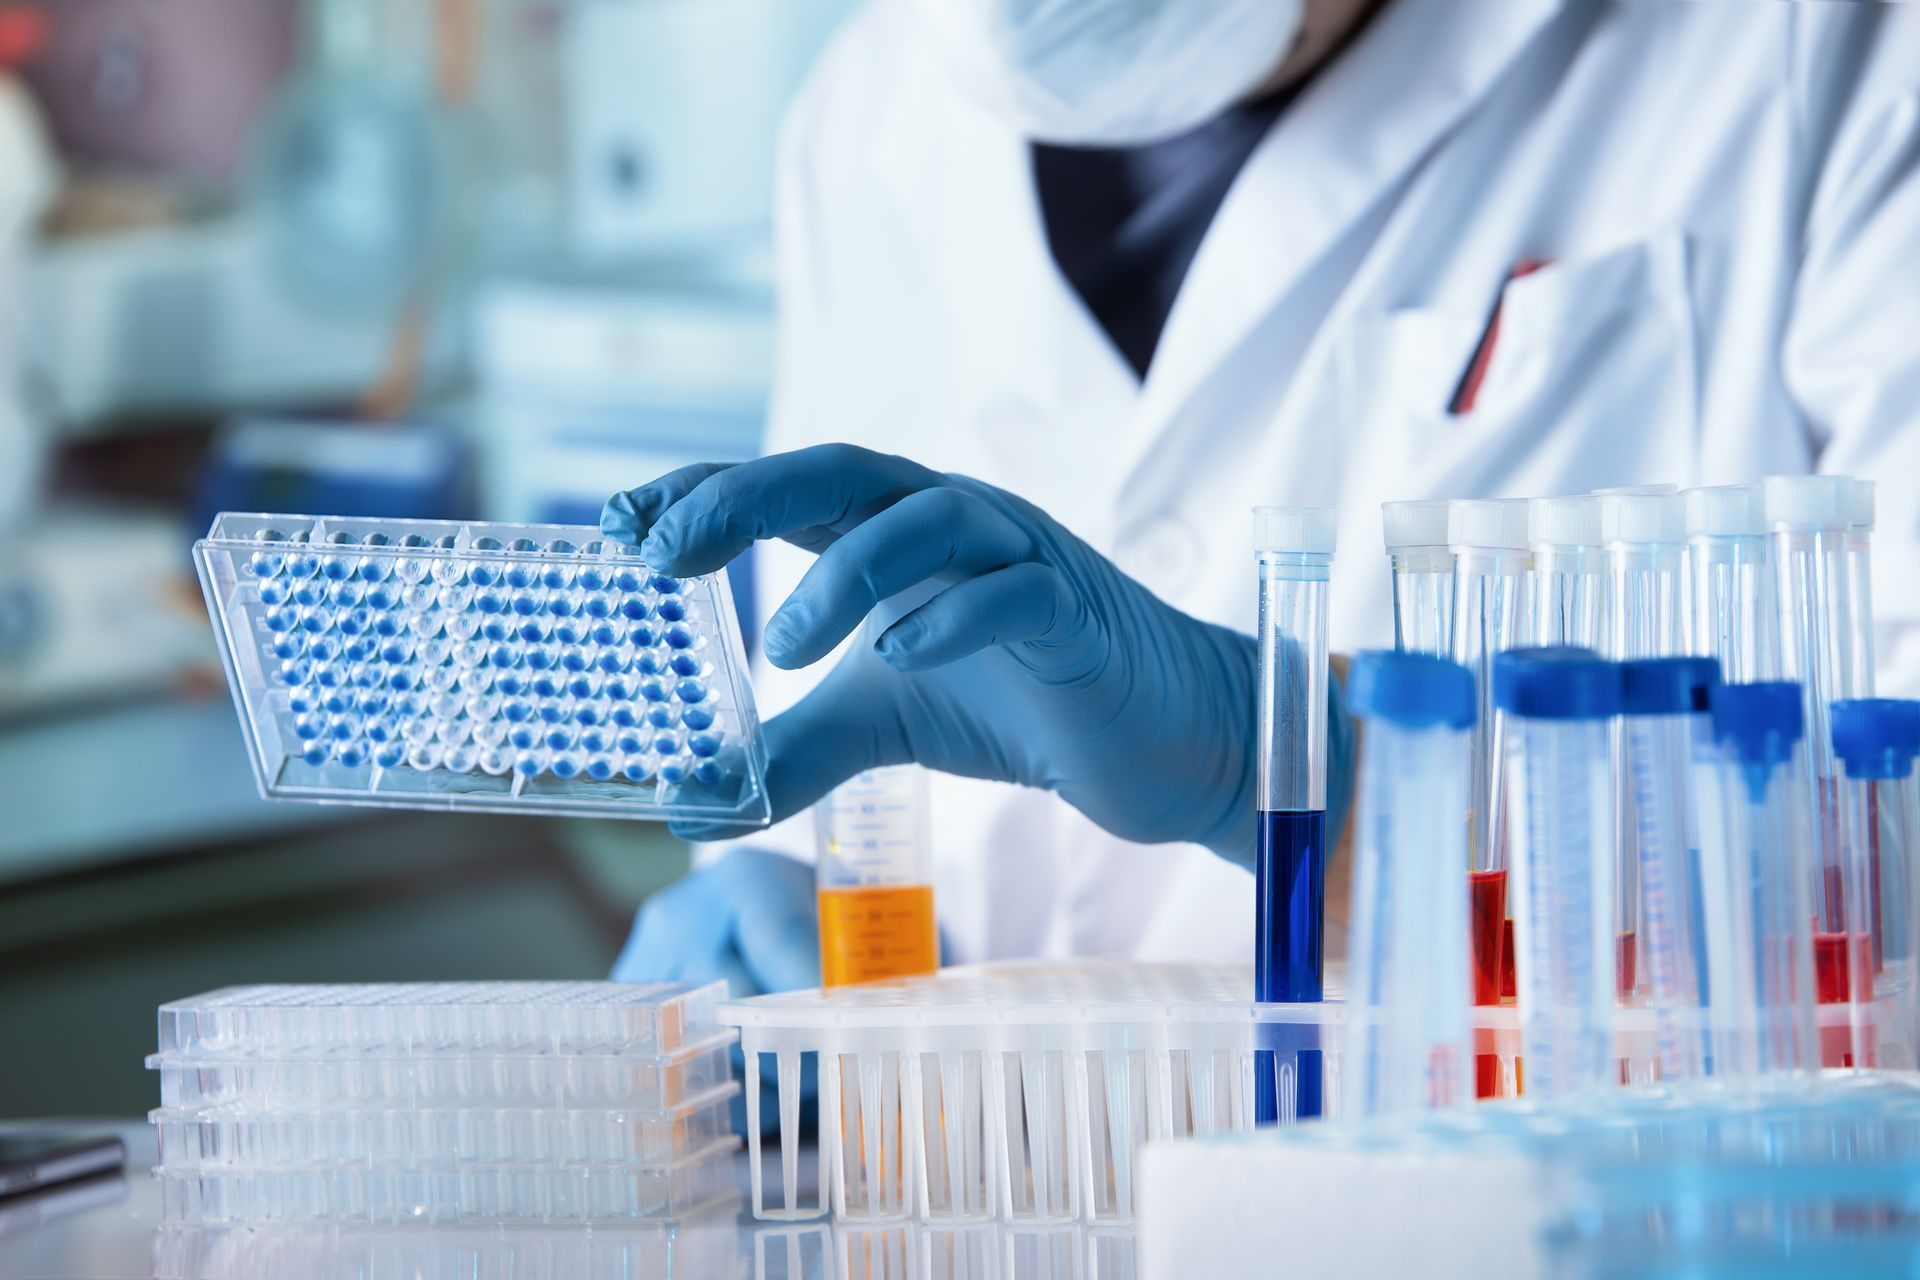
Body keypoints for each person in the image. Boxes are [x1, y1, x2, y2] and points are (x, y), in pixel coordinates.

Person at [609, 0, 1920, 1001]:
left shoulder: (1817, 48)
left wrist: (1304, 771)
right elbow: (841, 695)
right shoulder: (870, 107)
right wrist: (786, 901)